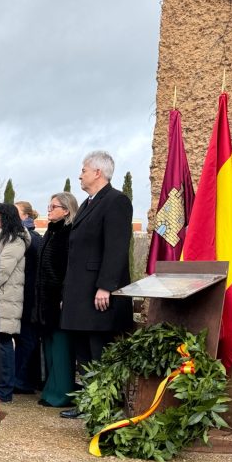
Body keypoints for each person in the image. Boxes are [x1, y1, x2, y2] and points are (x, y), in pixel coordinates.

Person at [60, 150, 133, 418]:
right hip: (80, 293)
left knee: (98, 349)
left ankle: (104, 405)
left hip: (98, 293)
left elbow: (116, 248)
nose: (80, 174)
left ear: (98, 172)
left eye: (84, 170)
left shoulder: (116, 201)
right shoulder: (89, 203)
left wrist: (106, 286)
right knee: (83, 350)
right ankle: (89, 401)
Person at [36, 192, 79, 407]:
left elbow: (69, 269)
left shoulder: (69, 233)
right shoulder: (51, 232)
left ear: (67, 210)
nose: (49, 210)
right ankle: (50, 391)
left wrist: (64, 296)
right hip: (46, 299)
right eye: (49, 205)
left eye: (54, 206)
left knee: (62, 349)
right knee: (51, 348)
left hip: (60, 300)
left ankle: (62, 393)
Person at [0, 203, 29, 403]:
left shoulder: (15, 241)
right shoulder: (1, 237)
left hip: (6, 300)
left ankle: (4, 390)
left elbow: (2, 272)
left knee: (4, 344)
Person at [14, 200, 43, 394]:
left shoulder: (31, 238)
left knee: (27, 338)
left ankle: (22, 379)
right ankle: (24, 378)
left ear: (25, 216)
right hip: (23, 294)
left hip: (29, 295)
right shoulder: (25, 237)